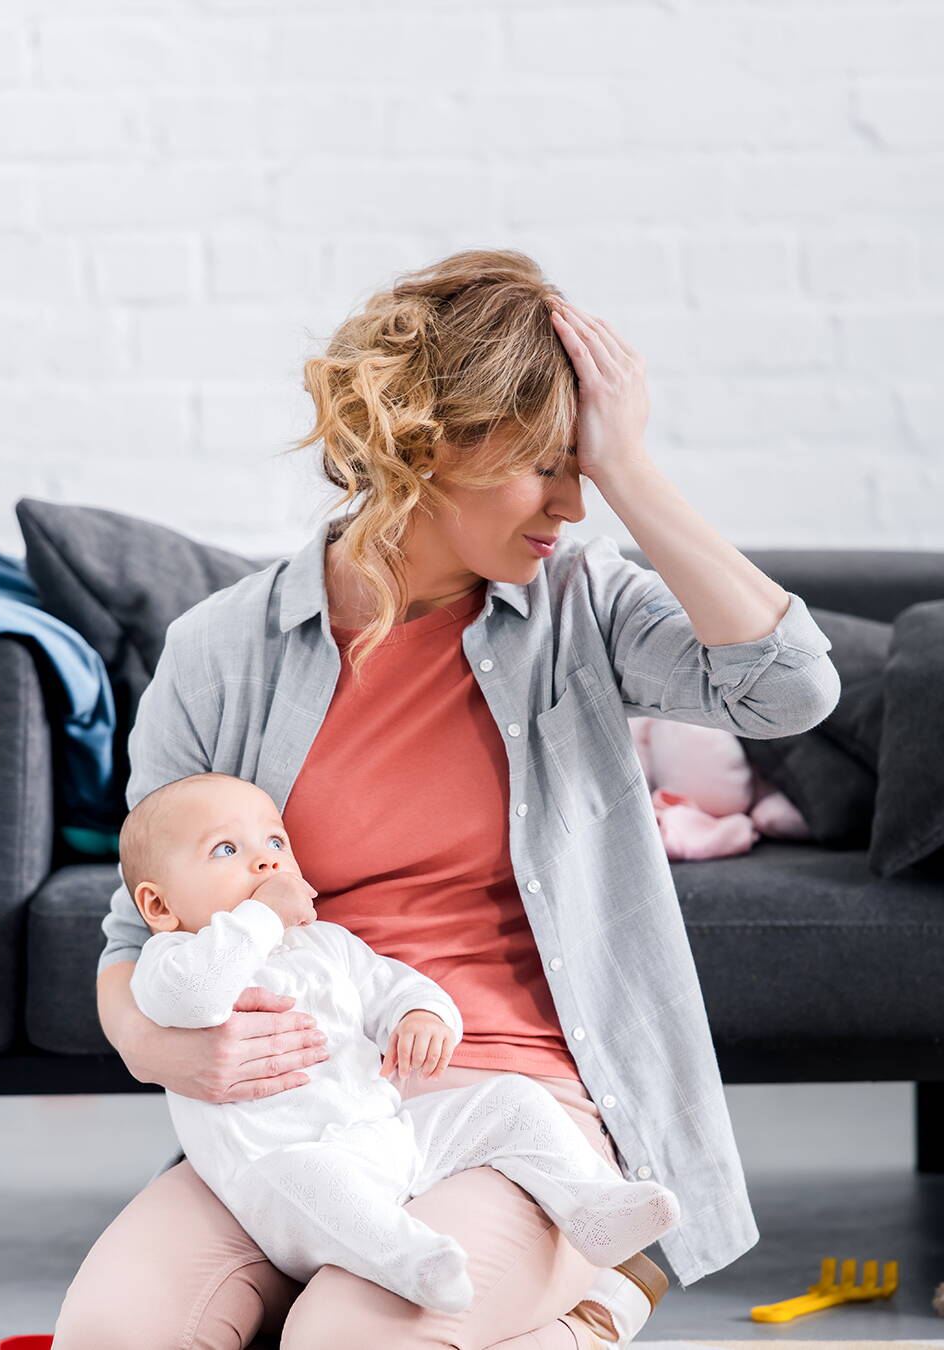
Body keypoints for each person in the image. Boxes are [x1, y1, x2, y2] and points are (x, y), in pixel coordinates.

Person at [53, 248, 840, 1350]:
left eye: (587, 468)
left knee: (347, 1339)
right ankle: (587, 1305)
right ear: (427, 448)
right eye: (547, 466)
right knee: (113, 1335)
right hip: (304, 1116)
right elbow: (132, 931)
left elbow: (791, 688)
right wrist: (156, 1047)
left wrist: (634, 471)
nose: (574, 502)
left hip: (521, 1110)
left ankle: (584, 1299)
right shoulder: (220, 650)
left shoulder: (584, 611)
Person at [121, 771, 682, 1314]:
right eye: (225, 850)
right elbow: (199, 997)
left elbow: (392, 984)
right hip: (292, 1176)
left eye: (275, 841)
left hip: (388, 1136)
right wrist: (262, 914)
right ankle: (414, 1262)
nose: (266, 861)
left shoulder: (325, 943)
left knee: (511, 1102)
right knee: (313, 1181)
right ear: (159, 907)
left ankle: (592, 1206)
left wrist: (421, 1014)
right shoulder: (169, 963)